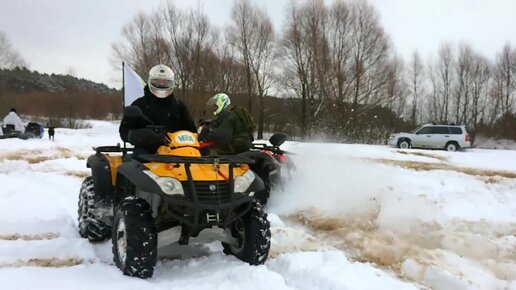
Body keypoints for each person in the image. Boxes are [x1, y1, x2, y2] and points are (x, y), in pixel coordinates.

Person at [119, 64, 196, 156]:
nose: (161, 85)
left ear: (172, 83)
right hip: (146, 150)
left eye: (165, 82)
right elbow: (124, 131)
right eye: (158, 82)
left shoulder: (179, 106)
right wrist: (143, 135)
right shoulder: (139, 104)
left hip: (176, 150)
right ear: (150, 81)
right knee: (137, 160)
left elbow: (191, 131)